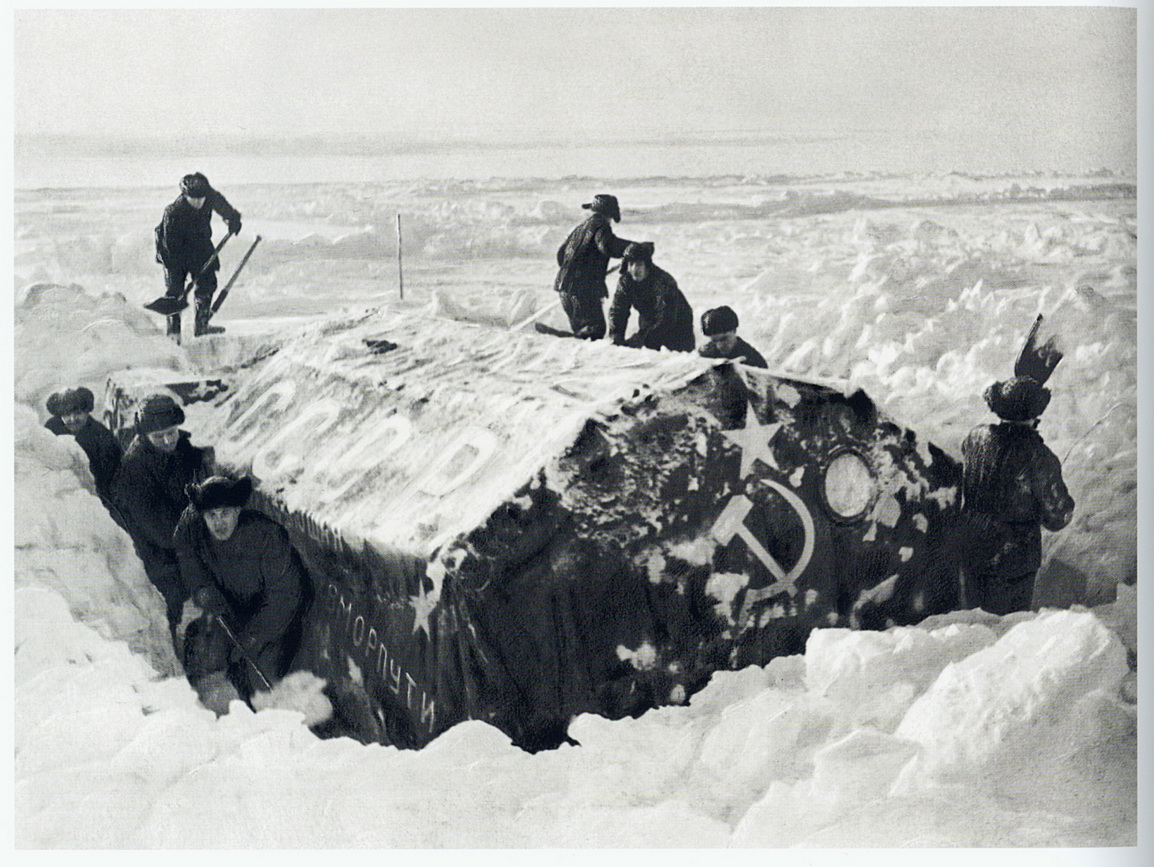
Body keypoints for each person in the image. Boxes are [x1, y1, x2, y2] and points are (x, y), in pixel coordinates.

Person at [174, 474, 310, 698]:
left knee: (262, 675)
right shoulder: (194, 527)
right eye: (212, 515)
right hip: (231, 606)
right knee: (209, 653)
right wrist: (202, 588)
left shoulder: (267, 537)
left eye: (225, 513)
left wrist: (254, 637)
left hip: (278, 615)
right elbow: (185, 550)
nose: (219, 522)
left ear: (237, 510)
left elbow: (285, 596)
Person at [959, 375, 1075, 615]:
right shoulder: (1039, 456)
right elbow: (1057, 517)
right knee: (1008, 628)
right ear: (1035, 414)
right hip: (1013, 561)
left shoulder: (975, 437)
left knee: (976, 621)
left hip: (972, 548)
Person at [110, 393, 211, 632]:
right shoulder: (134, 470)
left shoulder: (182, 450)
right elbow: (162, 532)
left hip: (186, 543)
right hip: (159, 556)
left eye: (171, 432)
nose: (167, 441)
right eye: (158, 437)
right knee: (182, 609)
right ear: (144, 436)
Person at [155, 172, 242, 338]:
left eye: (201, 198)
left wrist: (232, 218)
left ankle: (201, 325)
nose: (198, 202)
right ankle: (174, 332)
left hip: (199, 243)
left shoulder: (208, 196)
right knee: (175, 290)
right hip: (172, 250)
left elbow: (221, 204)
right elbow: (170, 247)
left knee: (208, 281)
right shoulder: (173, 212)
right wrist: (184, 266)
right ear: (185, 195)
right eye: (193, 198)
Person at [552, 194, 635, 340]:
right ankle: (565, 341)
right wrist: (633, 248)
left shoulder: (579, 228)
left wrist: (578, 270)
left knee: (585, 330)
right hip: (581, 289)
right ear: (610, 214)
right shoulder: (601, 226)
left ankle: (569, 342)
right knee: (595, 330)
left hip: (565, 288)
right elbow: (607, 245)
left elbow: (561, 254)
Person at [608, 242, 695, 352]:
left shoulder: (663, 281)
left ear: (647, 265)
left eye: (639, 264)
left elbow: (667, 316)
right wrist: (616, 335)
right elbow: (618, 310)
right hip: (650, 321)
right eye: (631, 264)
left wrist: (643, 339)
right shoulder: (625, 281)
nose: (634, 269)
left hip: (678, 325)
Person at [44, 386, 122, 496]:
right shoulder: (52, 428)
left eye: (78, 413)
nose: (72, 419)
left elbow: (111, 480)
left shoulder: (103, 438)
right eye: (66, 415)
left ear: (87, 412)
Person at [698, 306, 768, 368]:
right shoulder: (705, 352)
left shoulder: (753, 358)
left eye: (724, 339)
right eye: (714, 341)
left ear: (734, 331)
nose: (720, 346)